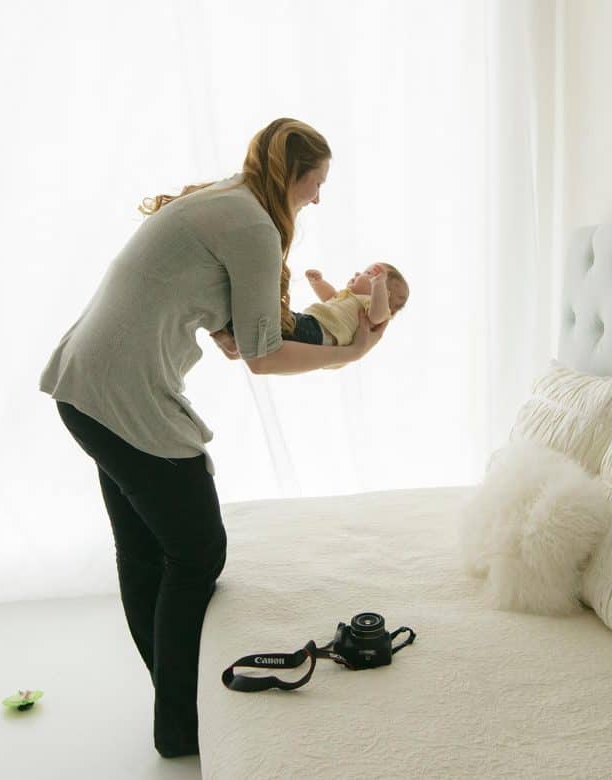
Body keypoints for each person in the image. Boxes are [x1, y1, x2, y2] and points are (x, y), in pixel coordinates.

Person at [38, 117, 386, 759]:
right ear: (297, 175)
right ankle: (181, 722)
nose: (318, 198)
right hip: (121, 397)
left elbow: (235, 336)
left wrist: (313, 326)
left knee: (145, 551)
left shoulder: (227, 198)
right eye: (318, 183)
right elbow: (259, 357)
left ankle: (176, 714)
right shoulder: (253, 223)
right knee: (198, 552)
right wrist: (349, 356)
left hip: (84, 387)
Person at [219, 261, 409, 348]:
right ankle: (234, 334)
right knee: (271, 327)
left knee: (274, 321)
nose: (358, 273)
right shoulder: (349, 298)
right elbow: (329, 296)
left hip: (319, 332)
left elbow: (378, 314)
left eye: (369, 274)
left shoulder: (373, 307)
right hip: (312, 325)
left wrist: (378, 287)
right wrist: (318, 283)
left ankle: (234, 329)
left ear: (385, 293)